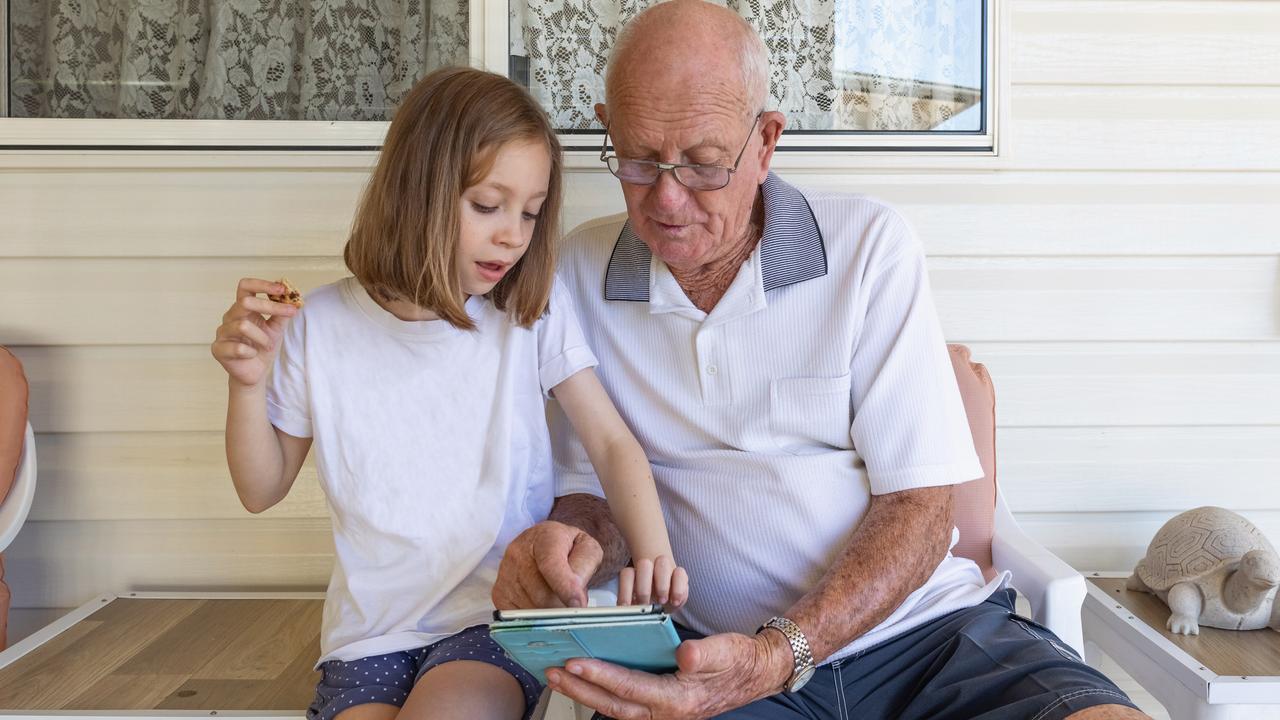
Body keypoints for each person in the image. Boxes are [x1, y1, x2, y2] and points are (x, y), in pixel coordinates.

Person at [492, 3, 1149, 719]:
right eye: (640, 161)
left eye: (706, 166)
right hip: (712, 662)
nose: (668, 199)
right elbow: (594, 496)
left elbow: (922, 513)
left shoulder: (869, 248)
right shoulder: (573, 276)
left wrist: (783, 653)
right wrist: (571, 545)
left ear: (766, 142)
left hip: (931, 637)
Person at [209, 67, 687, 720]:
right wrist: (247, 383)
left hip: (492, 618)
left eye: (530, 212)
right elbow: (260, 489)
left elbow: (610, 442)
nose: (513, 235)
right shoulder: (317, 324)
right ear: (416, 192)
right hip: (367, 636)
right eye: (488, 206)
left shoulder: (531, 312)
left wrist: (655, 562)